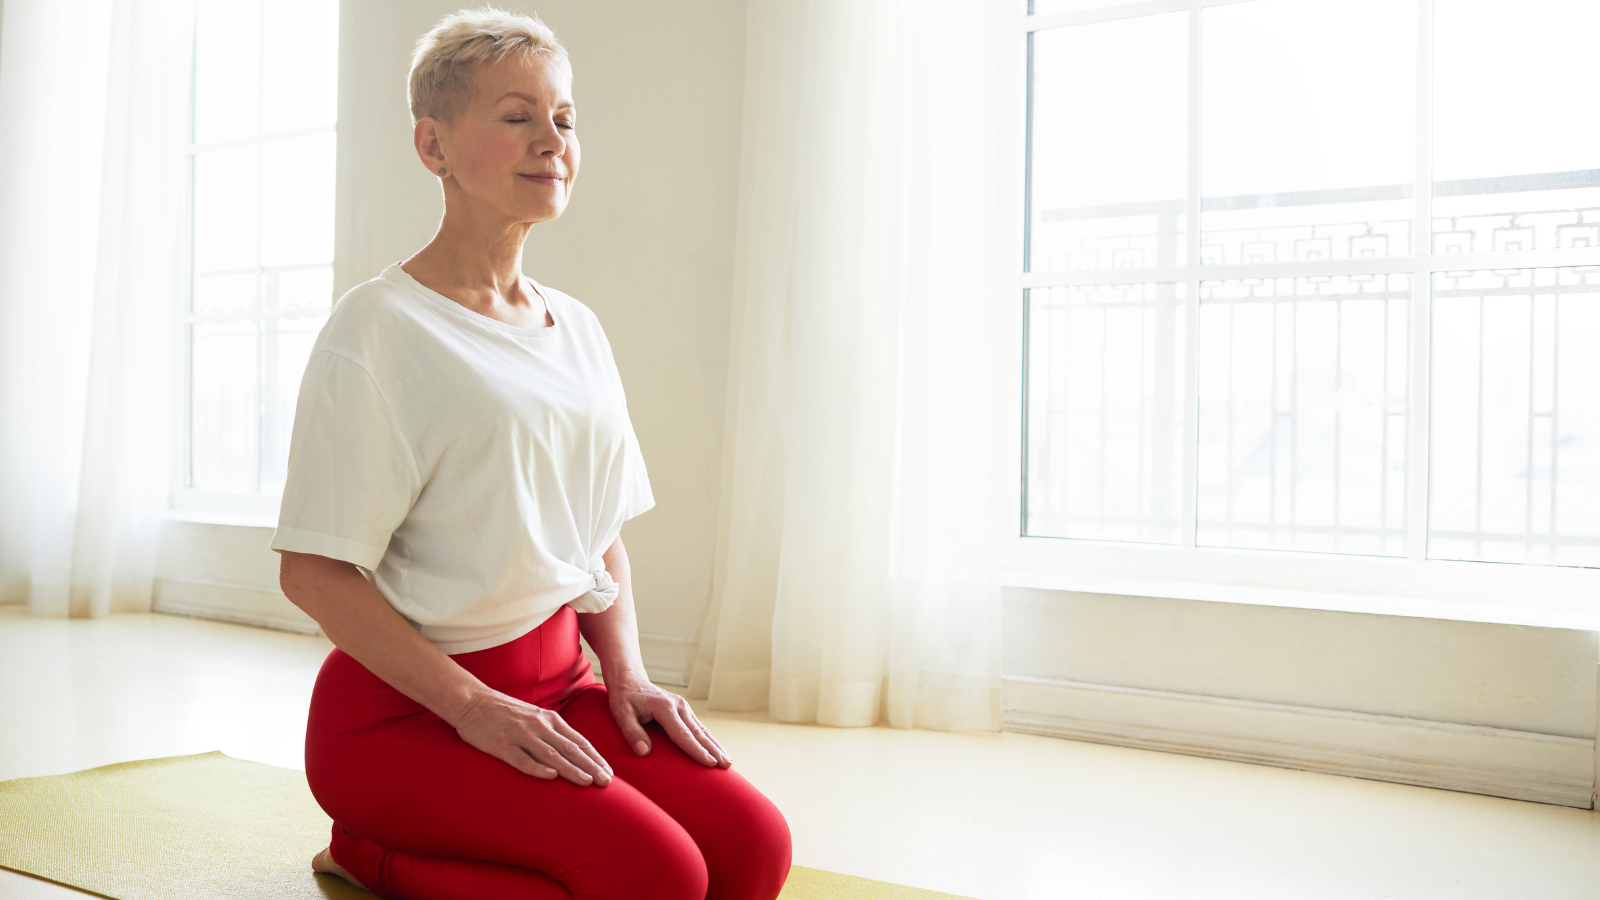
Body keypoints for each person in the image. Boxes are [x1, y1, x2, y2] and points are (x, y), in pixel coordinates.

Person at [268, 8, 791, 899]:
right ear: (433, 146)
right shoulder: (378, 328)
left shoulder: (576, 327)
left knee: (751, 853)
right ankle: (370, 851)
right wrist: (470, 706)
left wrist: (627, 675)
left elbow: (599, 537)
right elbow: (314, 573)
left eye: (564, 117)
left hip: (561, 690)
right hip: (405, 714)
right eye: (517, 116)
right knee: (656, 879)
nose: (551, 138)